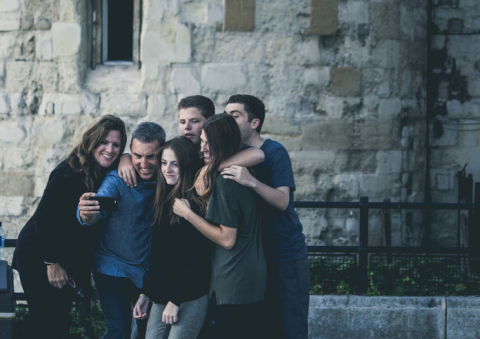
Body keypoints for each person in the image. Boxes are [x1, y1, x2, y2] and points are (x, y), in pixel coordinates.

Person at [13, 115, 127, 339]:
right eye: (104, 142)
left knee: (58, 324)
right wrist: (51, 262)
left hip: (64, 260)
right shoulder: (69, 171)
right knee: (47, 325)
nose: (110, 149)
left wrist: (126, 158)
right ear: (92, 142)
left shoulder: (102, 171)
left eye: (116, 145)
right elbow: (43, 218)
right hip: (40, 258)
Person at [221, 94, 310, 339]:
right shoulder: (233, 153)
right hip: (254, 261)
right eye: (226, 114)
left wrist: (251, 181)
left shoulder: (274, 151)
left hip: (284, 256)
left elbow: (283, 201)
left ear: (254, 122)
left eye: (235, 115)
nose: (228, 120)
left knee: (290, 327)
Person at [173, 113, 266, 339]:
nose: (203, 148)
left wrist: (188, 215)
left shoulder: (226, 181)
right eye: (202, 141)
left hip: (234, 277)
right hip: (242, 273)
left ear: (222, 143)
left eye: (208, 143)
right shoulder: (232, 171)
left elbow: (227, 239)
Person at [77, 122, 166, 339]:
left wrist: (126, 157)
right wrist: (87, 214)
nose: (143, 164)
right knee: (119, 330)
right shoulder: (118, 178)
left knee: (147, 333)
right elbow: (98, 206)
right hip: (112, 266)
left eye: (151, 157)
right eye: (137, 156)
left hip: (147, 273)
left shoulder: (168, 178)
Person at [132, 136, 212, 339]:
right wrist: (145, 294)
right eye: (164, 163)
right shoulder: (162, 199)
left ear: (186, 165)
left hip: (191, 293)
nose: (167, 169)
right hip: (163, 294)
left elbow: (198, 259)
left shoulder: (195, 204)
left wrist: (175, 302)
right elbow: (159, 256)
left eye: (175, 164)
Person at [118, 95, 264, 187]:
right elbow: (149, 153)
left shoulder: (217, 151)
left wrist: (210, 167)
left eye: (194, 121)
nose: (187, 127)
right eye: (182, 121)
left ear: (209, 122)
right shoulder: (178, 147)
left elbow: (257, 154)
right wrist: (125, 158)